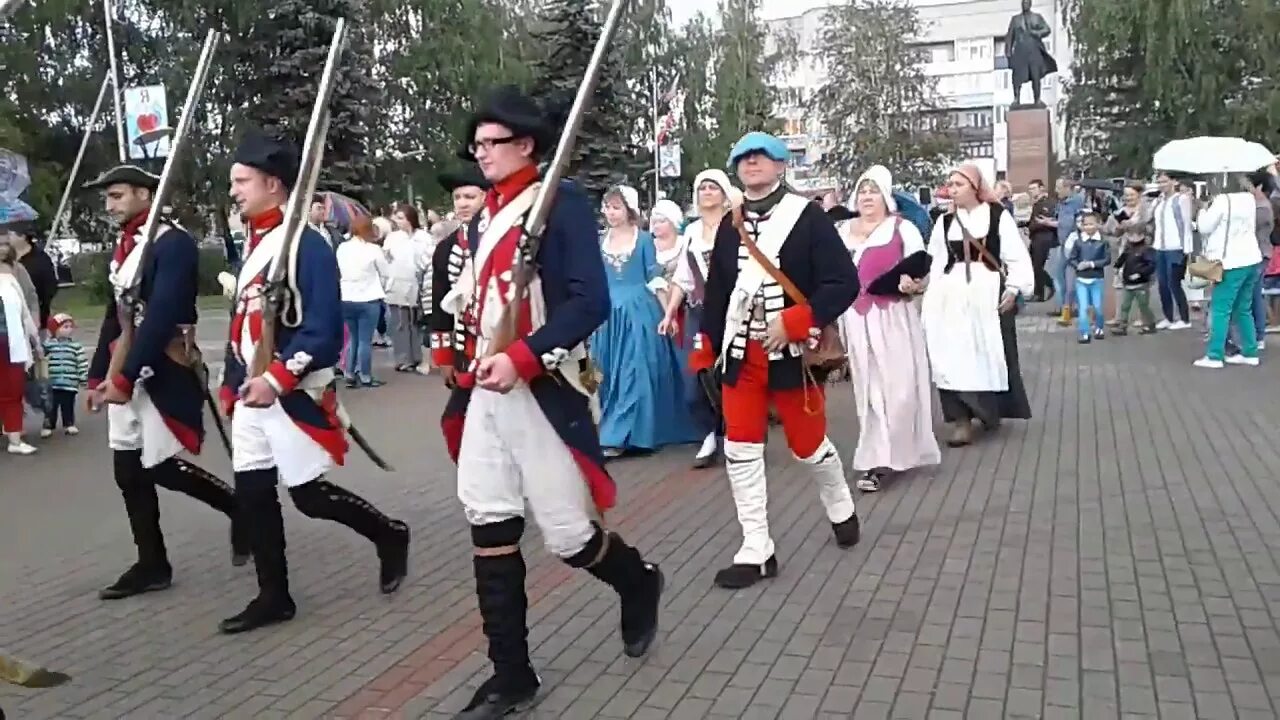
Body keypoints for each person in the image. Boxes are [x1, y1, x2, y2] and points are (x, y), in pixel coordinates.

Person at [439, 86, 664, 719]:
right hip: (487, 392)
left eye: (492, 143)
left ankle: (638, 581)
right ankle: (512, 674)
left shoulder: (557, 203)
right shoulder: (487, 212)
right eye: (476, 144)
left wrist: (523, 356)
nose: (480, 154)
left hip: (541, 387)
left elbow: (586, 302)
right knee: (488, 523)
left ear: (527, 145)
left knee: (567, 536)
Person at [219, 132, 410, 634]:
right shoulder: (255, 240)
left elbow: (323, 331)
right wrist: (231, 380)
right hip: (251, 396)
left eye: (242, 181)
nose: (234, 190)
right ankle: (274, 595)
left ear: (273, 184)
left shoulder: (304, 243)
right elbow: (244, 323)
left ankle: (388, 533)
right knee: (254, 494)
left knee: (309, 496)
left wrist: (277, 379)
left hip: (289, 391)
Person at [692, 131, 861, 590]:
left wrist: (798, 320)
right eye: (743, 157)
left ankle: (839, 500)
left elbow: (843, 283)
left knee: (808, 446)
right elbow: (719, 292)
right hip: (740, 354)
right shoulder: (730, 223)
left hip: (791, 355)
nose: (751, 163)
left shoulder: (807, 218)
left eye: (761, 156)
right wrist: (706, 342)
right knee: (740, 448)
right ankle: (756, 547)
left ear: (782, 165)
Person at [79, 164, 248, 599]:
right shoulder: (125, 247)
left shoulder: (173, 244)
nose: (110, 205)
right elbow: (114, 317)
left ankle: (239, 508)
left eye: (117, 196)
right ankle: (151, 563)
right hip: (126, 364)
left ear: (143, 195)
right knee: (127, 471)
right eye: (108, 197)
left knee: (161, 467)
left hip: (162, 365)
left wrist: (128, 375)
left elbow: (161, 315)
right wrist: (98, 374)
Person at [834, 166, 939, 492]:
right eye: (862, 190)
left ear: (886, 196)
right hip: (855, 318)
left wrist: (913, 283)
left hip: (892, 316)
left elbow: (921, 271)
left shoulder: (901, 229)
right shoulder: (842, 231)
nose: (867, 197)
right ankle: (878, 460)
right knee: (869, 391)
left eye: (874, 191)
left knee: (899, 388)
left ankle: (899, 450)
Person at [921, 163, 1033, 447]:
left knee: (986, 351)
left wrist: (1015, 287)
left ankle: (988, 410)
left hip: (986, 291)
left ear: (974, 187)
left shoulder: (997, 216)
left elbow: (1016, 255)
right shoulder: (944, 222)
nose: (952, 190)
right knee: (949, 354)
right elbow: (934, 260)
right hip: (952, 293)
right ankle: (960, 420)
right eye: (950, 185)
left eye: (958, 184)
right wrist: (926, 290)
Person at [593, 185, 699, 457]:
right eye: (607, 207)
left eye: (616, 207)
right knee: (608, 373)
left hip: (639, 314)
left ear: (629, 210)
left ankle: (622, 435)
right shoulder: (599, 240)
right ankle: (612, 428)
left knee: (634, 371)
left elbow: (655, 279)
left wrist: (667, 314)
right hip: (608, 316)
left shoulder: (642, 241)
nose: (610, 213)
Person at [660, 169, 737, 469]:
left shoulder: (735, 226)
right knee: (695, 380)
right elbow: (683, 277)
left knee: (730, 376)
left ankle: (734, 436)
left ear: (723, 193)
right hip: (699, 311)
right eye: (702, 187)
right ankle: (708, 433)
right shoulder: (691, 232)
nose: (707, 192)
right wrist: (669, 313)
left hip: (732, 311)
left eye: (712, 187)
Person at [1194, 175, 1263, 368]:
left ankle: (1215, 355)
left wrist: (1202, 210)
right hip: (1251, 258)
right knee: (1243, 308)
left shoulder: (1222, 201)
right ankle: (1250, 351)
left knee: (1220, 309)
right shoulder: (1250, 199)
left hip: (1230, 261)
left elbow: (1204, 227)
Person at [337, 215, 390, 388]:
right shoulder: (373, 250)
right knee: (365, 340)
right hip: (368, 297)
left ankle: (350, 372)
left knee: (353, 337)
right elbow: (385, 272)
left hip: (347, 297)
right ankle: (365, 375)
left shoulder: (342, 248)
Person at [0, 241, 40, 455]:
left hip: (11, 343)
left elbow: (25, 314)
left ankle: (14, 437)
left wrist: (34, 339)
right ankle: (14, 438)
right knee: (11, 392)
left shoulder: (11, 283)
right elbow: (25, 314)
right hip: (10, 343)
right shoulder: (11, 283)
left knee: (12, 392)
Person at [384, 206, 432, 372]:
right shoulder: (392, 238)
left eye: (401, 217)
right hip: (397, 285)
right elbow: (386, 260)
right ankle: (403, 358)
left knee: (416, 324)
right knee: (400, 324)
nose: (398, 221)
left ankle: (417, 357)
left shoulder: (424, 237)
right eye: (396, 218)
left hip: (418, 284)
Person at [1103, 183, 1152, 327]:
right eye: (1126, 195)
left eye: (1131, 194)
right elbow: (1111, 231)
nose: (1128, 198)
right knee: (1119, 281)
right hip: (1124, 249)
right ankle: (1119, 316)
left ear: (1138, 195)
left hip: (1141, 249)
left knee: (1140, 283)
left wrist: (1131, 224)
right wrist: (1119, 228)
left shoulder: (1145, 211)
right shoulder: (1120, 211)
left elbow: (1149, 228)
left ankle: (1141, 316)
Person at [1150, 172, 1195, 329]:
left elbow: (1186, 223)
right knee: (1162, 283)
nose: (1162, 185)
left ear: (1173, 182)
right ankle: (1168, 317)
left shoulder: (1181, 200)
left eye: (1165, 181)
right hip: (1160, 246)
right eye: (1159, 182)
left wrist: (1187, 248)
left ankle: (1184, 318)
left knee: (1173, 282)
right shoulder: (1159, 201)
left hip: (1176, 247)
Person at [1066, 210, 1111, 343]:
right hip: (1081, 279)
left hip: (1097, 278)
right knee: (1083, 307)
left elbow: (1107, 259)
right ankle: (1084, 332)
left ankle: (1099, 327)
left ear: (1098, 224)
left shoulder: (1103, 242)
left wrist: (1091, 264)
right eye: (1085, 224)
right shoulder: (1079, 242)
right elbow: (1072, 258)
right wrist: (1077, 265)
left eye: (1091, 224)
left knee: (1097, 306)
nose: (1088, 227)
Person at [40, 312, 87, 437]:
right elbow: (40, 356)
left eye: (70, 327)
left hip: (69, 383)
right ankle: (48, 425)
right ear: (55, 330)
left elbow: (82, 363)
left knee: (68, 405)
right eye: (65, 327)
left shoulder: (75, 347)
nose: (69, 330)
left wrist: (83, 378)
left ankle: (69, 424)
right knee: (50, 406)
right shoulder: (49, 345)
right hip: (52, 383)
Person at [5, 223, 57, 331]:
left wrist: (39, 310)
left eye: (10, 235)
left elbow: (50, 287)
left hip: (35, 318)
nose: (7, 238)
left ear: (22, 236)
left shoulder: (41, 259)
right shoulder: (6, 258)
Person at [1110, 231, 1158, 336]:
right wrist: (1117, 267)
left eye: (1136, 234)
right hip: (1128, 283)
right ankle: (1123, 326)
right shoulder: (1128, 249)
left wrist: (1140, 274)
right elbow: (1121, 259)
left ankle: (1150, 324)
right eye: (1131, 234)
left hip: (1141, 284)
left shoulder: (1147, 250)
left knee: (1143, 306)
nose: (1133, 237)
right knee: (1125, 305)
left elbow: (1151, 266)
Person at [1026, 179, 1056, 303]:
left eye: (1033, 188)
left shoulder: (1047, 203)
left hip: (1043, 238)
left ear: (1041, 188)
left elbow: (1045, 220)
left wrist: (1032, 226)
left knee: (1037, 266)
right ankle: (1039, 291)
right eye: (1030, 189)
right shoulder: (1037, 203)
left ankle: (1047, 287)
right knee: (1033, 265)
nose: (1031, 191)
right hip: (1035, 237)